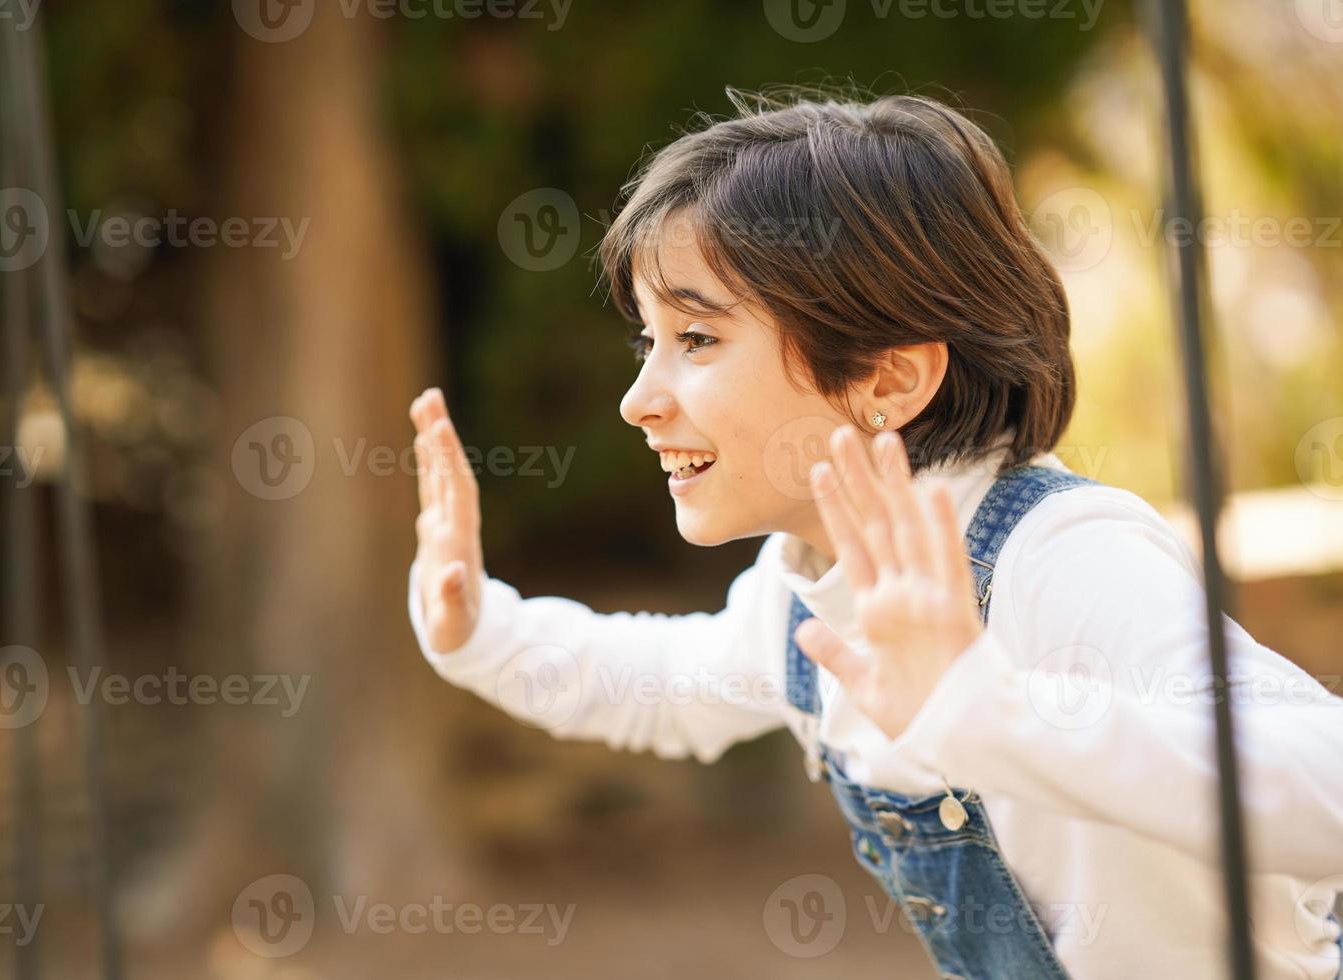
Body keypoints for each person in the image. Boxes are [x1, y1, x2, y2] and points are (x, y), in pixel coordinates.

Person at [407, 90, 1343, 979]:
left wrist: (991, 709)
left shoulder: (1057, 557)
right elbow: (663, 683)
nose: (638, 401)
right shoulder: (808, 581)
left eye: (697, 340)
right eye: (644, 342)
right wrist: (480, 631)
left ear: (889, 381)